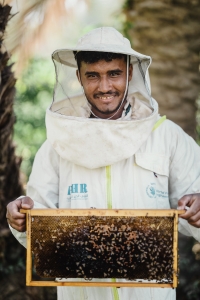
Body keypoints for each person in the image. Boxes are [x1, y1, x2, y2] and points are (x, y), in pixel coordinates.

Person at [6, 27, 200, 300]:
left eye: (114, 74)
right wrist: (21, 220)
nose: (105, 87)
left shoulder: (167, 137)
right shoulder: (57, 145)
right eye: (93, 76)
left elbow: (194, 212)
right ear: (79, 77)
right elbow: (38, 230)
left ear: (130, 73)